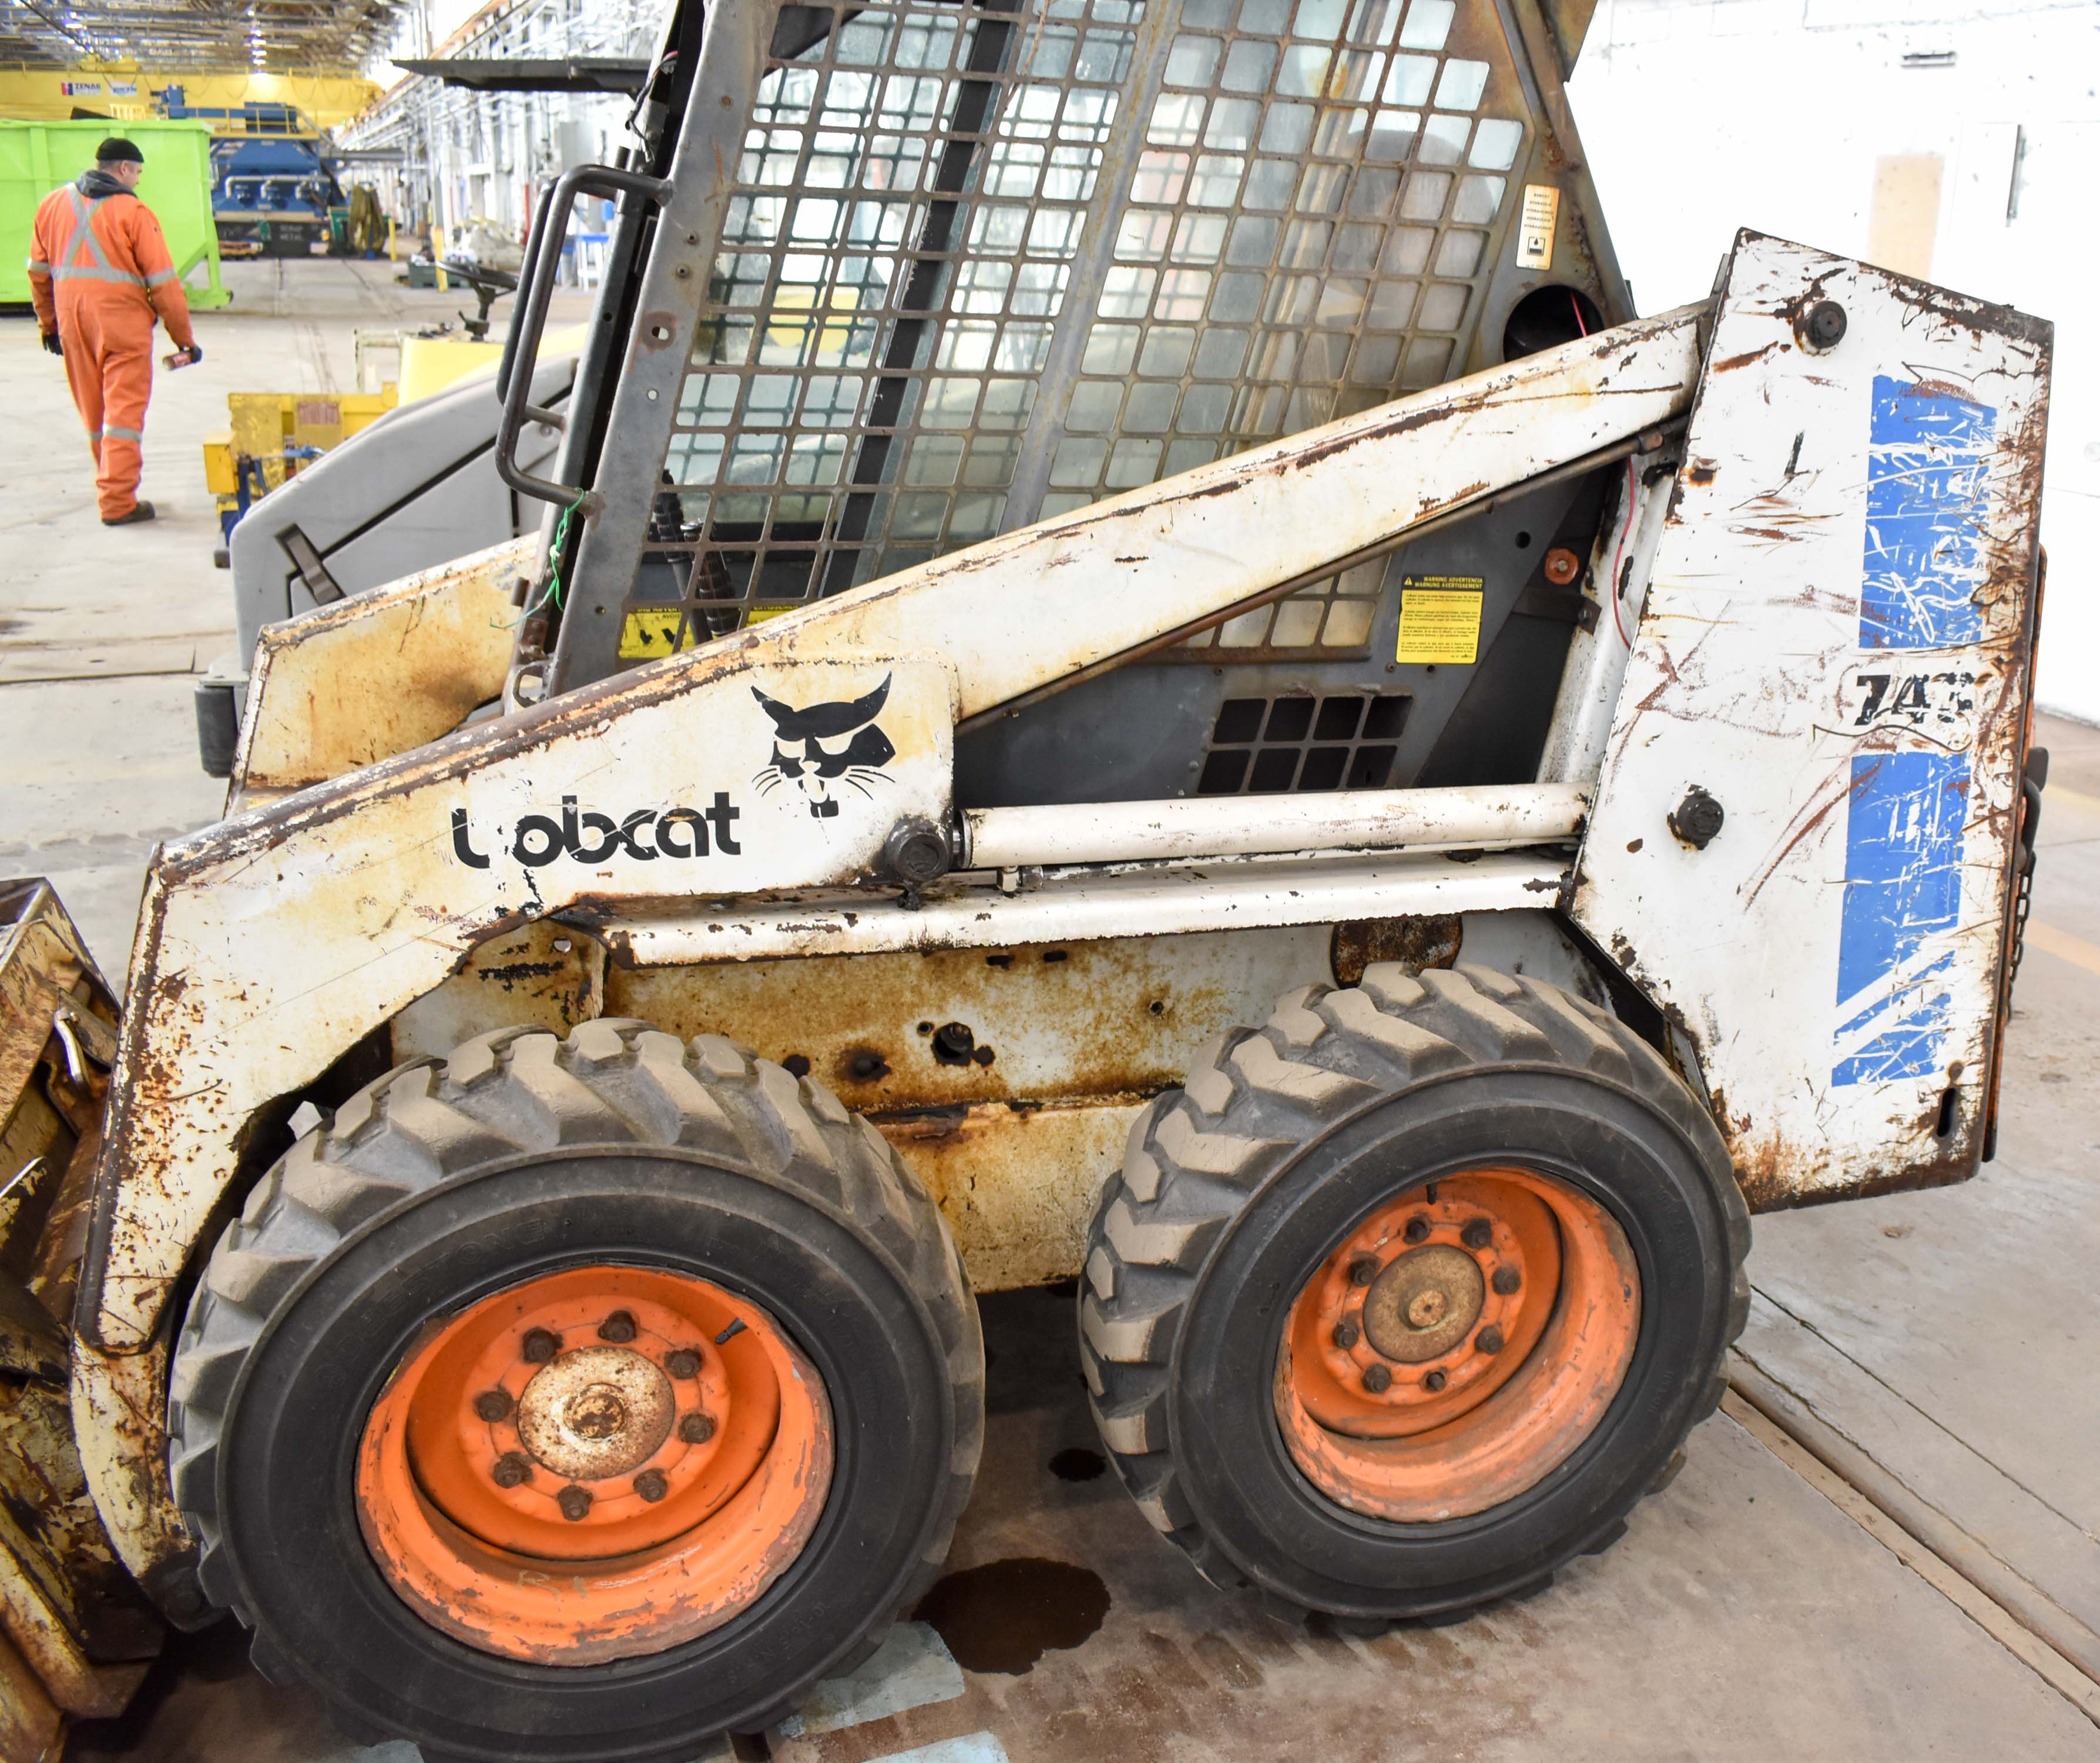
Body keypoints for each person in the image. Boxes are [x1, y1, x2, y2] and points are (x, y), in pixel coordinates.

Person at [26, 137, 202, 527]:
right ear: (124, 168)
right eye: (137, 172)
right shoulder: (134, 212)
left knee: (95, 414)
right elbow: (165, 285)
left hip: (74, 325)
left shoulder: (53, 204)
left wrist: (49, 324)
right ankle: (118, 502)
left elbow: (38, 274)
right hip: (124, 328)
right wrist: (184, 339)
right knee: (122, 415)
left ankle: (110, 485)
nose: (138, 180)